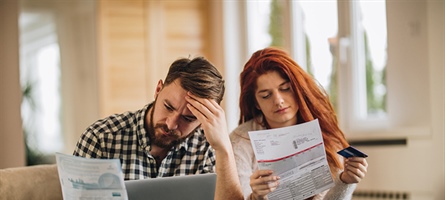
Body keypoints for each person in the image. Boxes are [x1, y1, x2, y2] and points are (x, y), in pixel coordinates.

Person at [74, 56, 243, 200]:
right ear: (158, 89)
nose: (171, 124)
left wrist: (223, 149)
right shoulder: (101, 138)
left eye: (188, 118)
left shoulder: (209, 147)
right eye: (168, 107)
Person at [230, 47, 368, 200]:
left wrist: (345, 182)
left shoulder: (325, 135)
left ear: (298, 89)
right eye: (266, 95)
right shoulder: (240, 141)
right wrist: (256, 197)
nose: (278, 101)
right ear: (256, 103)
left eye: (285, 89)